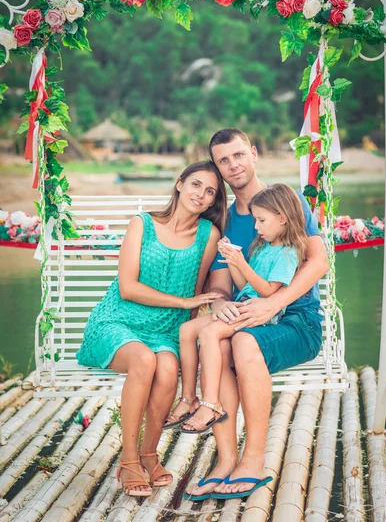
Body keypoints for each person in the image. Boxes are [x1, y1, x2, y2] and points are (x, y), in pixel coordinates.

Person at [186, 128, 329, 501]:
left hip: (296, 320)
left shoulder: (287, 202)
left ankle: (253, 459)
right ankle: (226, 459)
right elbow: (221, 287)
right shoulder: (226, 222)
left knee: (241, 342)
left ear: (252, 153)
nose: (232, 165)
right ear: (218, 168)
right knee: (216, 341)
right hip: (251, 314)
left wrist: (275, 303)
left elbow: (318, 262)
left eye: (237, 155)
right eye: (223, 161)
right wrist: (218, 304)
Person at [76, 160, 227, 497]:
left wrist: (191, 330)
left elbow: (199, 286)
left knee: (168, 367)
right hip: (117, 321)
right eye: (195, 185)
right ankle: (128, 461)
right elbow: (128, 287)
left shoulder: (209, 234)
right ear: (179, 184)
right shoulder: (141, 224)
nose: (200, 195)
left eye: (210, 192)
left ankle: (148, 454)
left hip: (165, 330)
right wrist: (184, 303)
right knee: (144, 361)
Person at [164, 184, 307, 440]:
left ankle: (211, 404)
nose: (257, 227)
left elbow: (267, 292)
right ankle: (189, 397)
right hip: (243, 305)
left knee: (209, 334)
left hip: (258, 313)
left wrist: (241, 263)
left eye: (261, 221)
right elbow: (245, 286)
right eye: (255, 220)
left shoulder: (288, 252)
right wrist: (232, 261)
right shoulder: (263, 246)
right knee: (187, 330)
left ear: (282, 218)